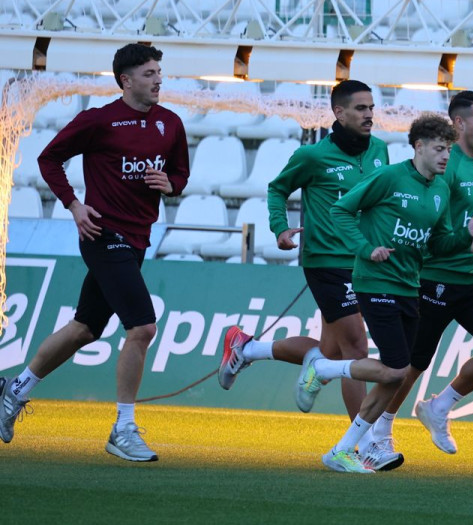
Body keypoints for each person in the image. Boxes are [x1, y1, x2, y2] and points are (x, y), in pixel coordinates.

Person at [0, 44, 189, 462]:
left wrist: (171, 184)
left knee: (86, 327)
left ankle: (14, 391)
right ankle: (123, 428)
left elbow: (181, 172)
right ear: (125, 80)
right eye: (148, 73)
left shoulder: (170, 124)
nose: (158, 79)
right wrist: (74, 205)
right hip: (102, 233)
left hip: (139, 238)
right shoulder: (98, 120)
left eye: (159, 72)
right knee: (142, 328)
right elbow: (50, 159)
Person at [216, 80, 396, 465]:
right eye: (360, 108)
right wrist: (279, 228)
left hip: (364, 261)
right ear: (339, 113)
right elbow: (277, 189)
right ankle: (362, 447)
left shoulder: (381, 150)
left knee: (328, 353)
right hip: (326, 261)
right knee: (357, 350)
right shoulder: (313, 156)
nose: (368, 115)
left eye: (370, 108)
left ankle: (246, 348)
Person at [316, 114, 473, 473]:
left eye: (449, 149)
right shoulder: (390, 177)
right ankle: (325, 368)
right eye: (440, 149)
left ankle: (343, 449)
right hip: (375, 283)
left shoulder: (441, 189)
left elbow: (438, 243)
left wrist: (466, 235)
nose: (445, 157)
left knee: (396, 374)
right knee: (395, 370)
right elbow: (340, 210)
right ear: (419, 147)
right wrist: (365, 248)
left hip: (410, 286)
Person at [366, 90, 473, 456]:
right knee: (412, 364)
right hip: (434, 279)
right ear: (459, 123)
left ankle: (439, 407)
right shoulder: (445, 168)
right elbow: (429, 231)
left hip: (471, 279)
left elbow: (470, 223)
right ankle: (379, 430)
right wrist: (466, 243)